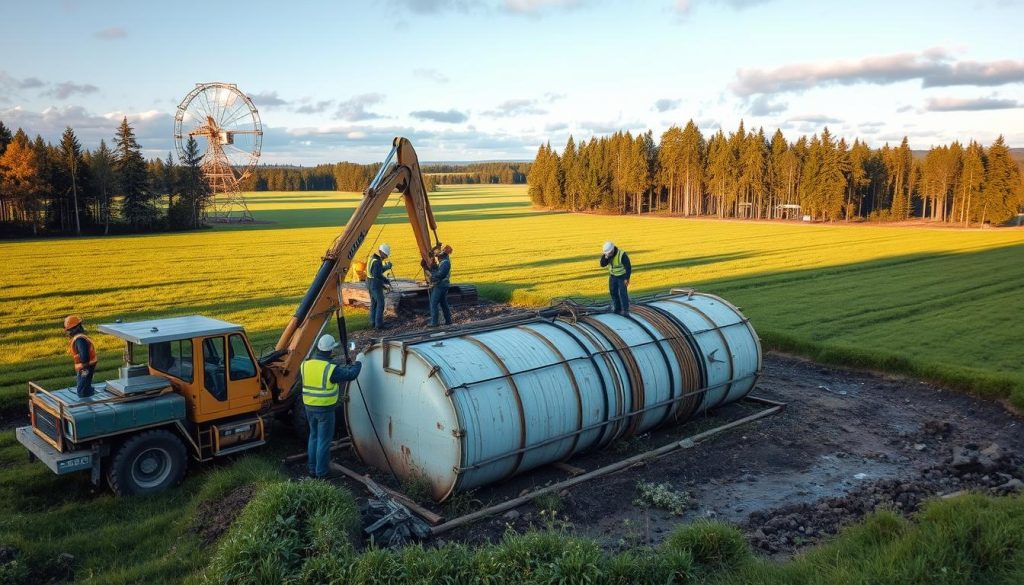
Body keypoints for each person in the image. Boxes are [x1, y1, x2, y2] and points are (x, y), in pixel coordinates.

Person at [300, 334, 362, 479]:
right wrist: (359, 362)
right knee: (324, 440)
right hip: (325, 410)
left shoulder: (305, 364)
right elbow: (351, 374)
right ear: (331, 350)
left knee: (313, 436)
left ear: (319, 348)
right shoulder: (330, 369)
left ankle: (311, 468)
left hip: (308, 407)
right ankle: (321, 472)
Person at [64, 315, 97, 398]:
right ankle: (89, 391)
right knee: (84, 384)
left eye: (69, 330)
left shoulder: (79, 339)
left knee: (82, 389)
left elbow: (84, 356)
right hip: (85, 365)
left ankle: (87, 398)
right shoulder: (79, 338)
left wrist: (83, 366)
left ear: (74, 328)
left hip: (85, 366)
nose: (68, 332)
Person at [423, 244, 453, 327]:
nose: (437, 257)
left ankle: (434, 322)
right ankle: (448, 320)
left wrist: (431, 276)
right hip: (444, 285)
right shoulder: (444, 262)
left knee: (433, 303)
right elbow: (439, 271)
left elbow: (441, 274)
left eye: (437, 255)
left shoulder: (445, 263)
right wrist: (433, 268)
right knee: (443, 303)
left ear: (442, 254)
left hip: (440, 285)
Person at [600, 241, 632, 315]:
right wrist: (606, 257)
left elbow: (628, 267)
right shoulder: (607, 255)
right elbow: (602, 264)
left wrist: (627, 278)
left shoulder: (622, 255)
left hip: (622, 277)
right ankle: (617, 309)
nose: (609, 254)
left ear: (613, 249)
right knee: (613, 292)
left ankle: (625, 310)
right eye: (607, 253)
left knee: (623, 293)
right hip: (613, 276)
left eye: (610, 252)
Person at [366, 243, 393, 330]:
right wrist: (384, 285)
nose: (385, 257)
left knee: (374, 303)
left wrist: (386, 280)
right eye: (385, 255)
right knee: (381, 303)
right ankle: (379, 325)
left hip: (369, 283)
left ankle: (373, 322)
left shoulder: (373, 258)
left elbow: (378, 272)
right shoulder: (377, 262)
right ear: (381, 252)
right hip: (375, 284)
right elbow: (377, 276)